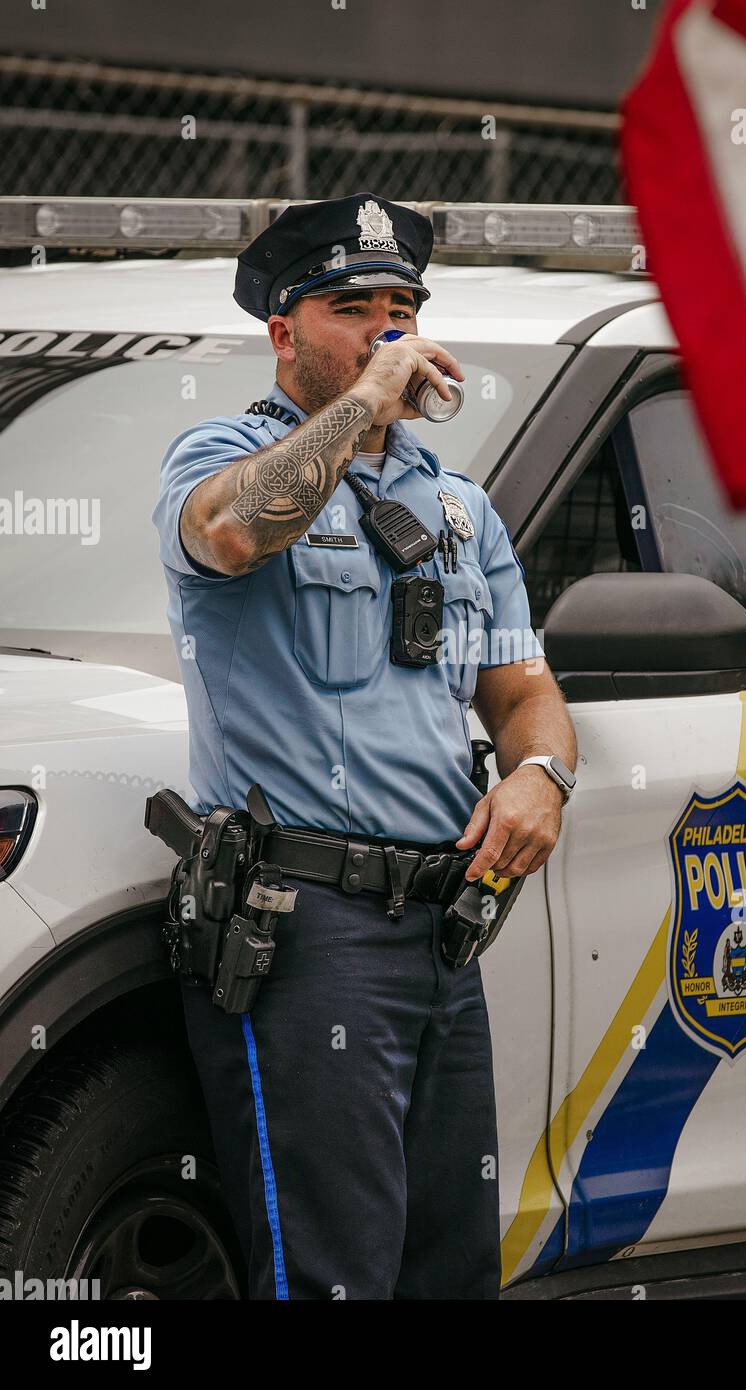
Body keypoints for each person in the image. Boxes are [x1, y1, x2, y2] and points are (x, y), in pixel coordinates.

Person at [151, 192, 578, 1300]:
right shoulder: (223, 455)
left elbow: (524, 687)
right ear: (283, 329)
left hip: (442, 928)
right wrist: (371, 399)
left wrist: (541, 774)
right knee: (332, 1274)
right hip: (305, 934)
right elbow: (239, 531)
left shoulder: (458, 509)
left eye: (403, 307)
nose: (387, 329)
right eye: (354, 308)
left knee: (448, 1273)